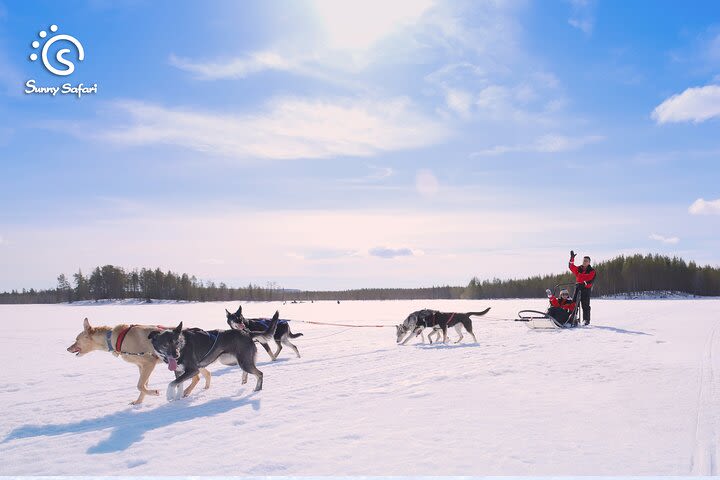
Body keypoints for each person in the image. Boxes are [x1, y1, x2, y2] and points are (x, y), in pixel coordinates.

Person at [568, 250, 596, 325]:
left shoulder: (592, 271)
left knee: (585, 305)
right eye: (584, 260)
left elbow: (591, 280)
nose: (584, 262)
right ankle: (573, 318)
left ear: (589, 262)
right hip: (578, 287)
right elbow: (571, 267)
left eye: (586, 261)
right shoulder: (579, 269)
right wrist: (572, 258)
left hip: (586, 289)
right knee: (574, 303)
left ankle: (586, 320)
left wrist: (584, 283)